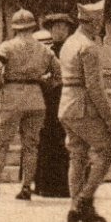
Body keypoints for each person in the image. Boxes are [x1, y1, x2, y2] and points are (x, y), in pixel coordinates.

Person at [0, 8, 51, 203]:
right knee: (31, 146)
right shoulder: (44, 49)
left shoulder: (8, 46)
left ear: (15, 28)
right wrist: (44, 81)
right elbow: (58, 72)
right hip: (35, 97)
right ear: (33, 26)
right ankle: (26, 187)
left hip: (11, 94)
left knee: (0, 144)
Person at [59, 0, 111, 222]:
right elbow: (94, 87)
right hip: (83, 107)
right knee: (108, 151)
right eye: (99, 22)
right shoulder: (88, 47)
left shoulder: (68, 43)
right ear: (93, 22)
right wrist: (110, 118)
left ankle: (76, 208)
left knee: (78, 155)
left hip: (66, 105)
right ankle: (84, 199)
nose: (101, 26)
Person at [33, 19, 72, 198]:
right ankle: (43, 185)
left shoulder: (72, 49)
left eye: (63, 28)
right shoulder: (44, 50)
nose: (60, 31)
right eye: (56, 27)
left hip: (65, 97)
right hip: (48, 99)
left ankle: (65, 186)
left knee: (64, 140)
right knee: (47, 139)